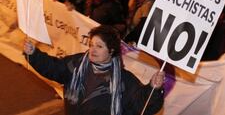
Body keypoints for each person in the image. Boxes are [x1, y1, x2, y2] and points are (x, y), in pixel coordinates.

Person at [23, 25, 165, 115]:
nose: (92, 49)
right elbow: (54, 68)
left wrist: (154, 88)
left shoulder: (124, 80)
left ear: (111, 51)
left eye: (99, 46)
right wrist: (33, 54)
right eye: (91, 44)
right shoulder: (77, 63)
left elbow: (143, 104)